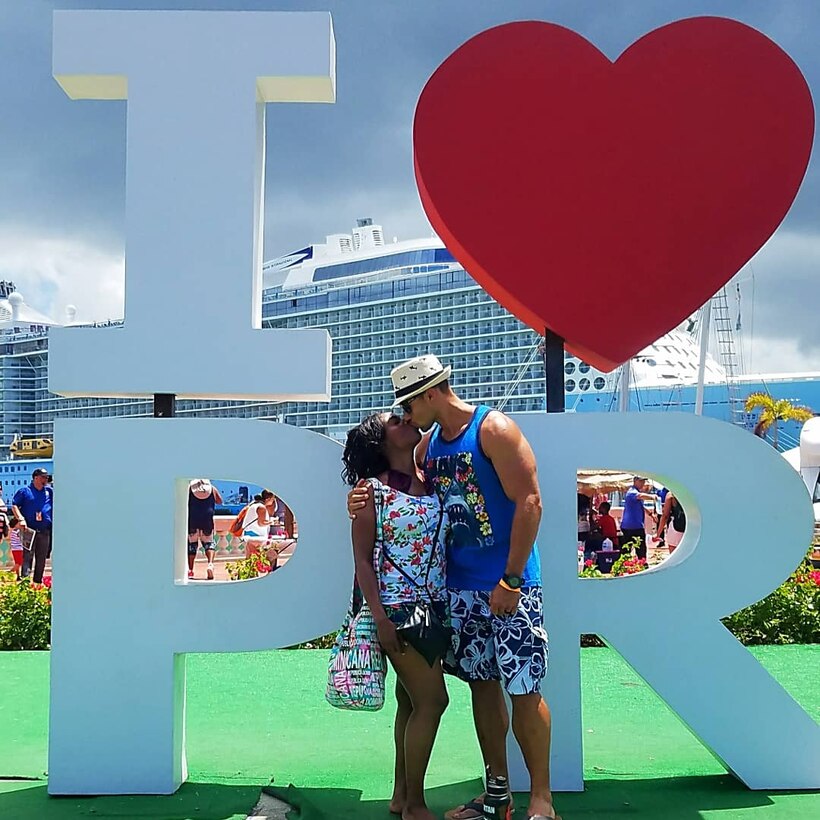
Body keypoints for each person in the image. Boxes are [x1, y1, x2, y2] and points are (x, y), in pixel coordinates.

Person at [350, 355, 558, 820]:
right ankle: (498, 796)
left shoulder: (493, 430)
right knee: (483, 689)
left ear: (428, 395)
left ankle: (542, 800)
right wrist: (360, 495)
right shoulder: (426, 451)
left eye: (407, 406)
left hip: (511, 586)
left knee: (525, 688)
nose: (406, 417)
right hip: (460, 593)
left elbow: (531, 501)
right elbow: (400, 491)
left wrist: (512, 578)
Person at [343, 410, 450, 820]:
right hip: (399, 611)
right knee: (433, 700)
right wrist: (381, 618)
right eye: (394, 420)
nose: (405, 419)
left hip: (434, 608)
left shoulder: (430, 480)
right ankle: (416, 804)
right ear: (380, 441)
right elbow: (363, 561)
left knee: (410, 702)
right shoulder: (371, 491)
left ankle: (401, 795)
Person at [12, 467, 53, 583]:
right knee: (27, 557)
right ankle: (25, 582)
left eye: (47, 477)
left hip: (44, 530)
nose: (46, 479)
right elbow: (14, 506)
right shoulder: (25, 491)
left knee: (41, 559)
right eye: (43, 477)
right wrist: (20, 519)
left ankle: (37, 583)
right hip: (29, 530)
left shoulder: (49, 491)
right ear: (36, 478)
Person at [187, 478, 223, 580]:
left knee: (192, 545)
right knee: (209, 544)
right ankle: (210, 564)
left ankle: (190, 570)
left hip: (192, 519)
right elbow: (220, 501)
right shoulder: (212, 489)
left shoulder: (190, 489)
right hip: (207, 519)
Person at [619, 476, 655, 561]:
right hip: (630, 527)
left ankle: (641, 566)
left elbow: (641, 505)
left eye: (644, 481)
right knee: (627, 551)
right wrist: (653, 497)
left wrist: (650, 514)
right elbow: (640, 496)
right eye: (641, 481)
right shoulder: (632, 492)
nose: (643, 483)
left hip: (637, 526)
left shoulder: (636, 492)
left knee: (640, 550)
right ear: (635, 481)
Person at [242, 490, 272, 558]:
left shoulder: (254, 505)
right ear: (268, 499)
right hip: (256, 536)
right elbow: (261, 523)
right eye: (273, 499)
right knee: (257, 560)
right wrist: (272, 522)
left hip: (249, 534)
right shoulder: (261, 507)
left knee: (249, 559)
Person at [6, 514, 22, 580]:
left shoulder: (12, 531)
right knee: (19, 563)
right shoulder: (17, 531)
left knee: (17, 562)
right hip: (19, 549)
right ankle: (9, 573)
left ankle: (18, 576)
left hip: (14, 549)